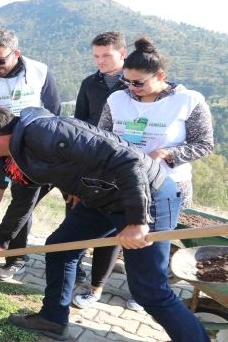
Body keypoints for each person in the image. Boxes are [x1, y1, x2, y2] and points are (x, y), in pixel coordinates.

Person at [0, 105, 209, 342]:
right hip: (102, 198)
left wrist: (137, 220)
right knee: (59, 247)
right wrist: (0, 241)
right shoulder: (19, 152)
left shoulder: (48, 133)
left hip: (148, 198)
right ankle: (53, 319)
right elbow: (23, 202)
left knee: (150, 292)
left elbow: (128, 160)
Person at [72, 37, 215, 311]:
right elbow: (104, 138)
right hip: (121, 184)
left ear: (160, 76)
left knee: (150, 244)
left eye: (139, 83)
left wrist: (167, 154)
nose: (132, 88)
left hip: (167, 187)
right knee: (113, 237)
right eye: (127, 82)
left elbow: (204, 145)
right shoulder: (117, 99)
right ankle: (96, 289)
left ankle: (143, 294)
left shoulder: (188, 101)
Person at [0, 29, 60, 280]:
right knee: (2, 195)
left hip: (35, 151)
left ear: (16, 54)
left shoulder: (40, 72)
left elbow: (52, 111)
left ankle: (17, 258)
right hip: (0, 150)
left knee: (23, 203)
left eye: (0, 60)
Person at [71, 31, 128, 285]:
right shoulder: (89, 84)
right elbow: (80, 123)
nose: (100, 61)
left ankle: (101, 275)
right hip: (90, 161)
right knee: (77, 214)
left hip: (122, 162)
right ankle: (76, 264)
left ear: (122, 54)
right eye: (96, 56)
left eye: (106, 55)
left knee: (111, 223)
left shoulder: (135, 84)